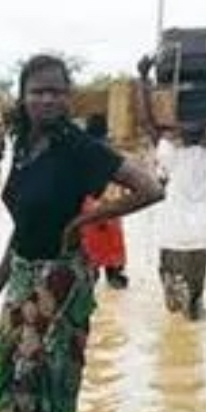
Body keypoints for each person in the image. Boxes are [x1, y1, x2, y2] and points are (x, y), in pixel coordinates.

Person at [0, 54, 163, 412]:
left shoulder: (79, 149)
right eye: (37, 92)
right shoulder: (23, 147)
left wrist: (86, 219)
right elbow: (21, 230)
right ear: (22, 98)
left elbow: (150, 189)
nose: (47, 100)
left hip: (61, 282)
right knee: (11, 376)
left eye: (56, 92)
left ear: (68, 98)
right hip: (22, 278)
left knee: (47, 382)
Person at [137, 55, 206, 321]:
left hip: (172, 235)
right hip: (201, 236)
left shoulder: (170, 153)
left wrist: (144, 79)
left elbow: (149, 124)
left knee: (173, 306)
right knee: (195, 304)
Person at [79, 114, 130, 289]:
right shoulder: (113, 151)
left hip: (89, 206)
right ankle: (114, 275)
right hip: (112, 206)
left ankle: (92, 274)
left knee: (90, 247)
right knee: (112, 244)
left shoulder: (82, 149)